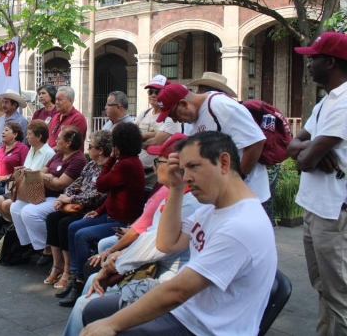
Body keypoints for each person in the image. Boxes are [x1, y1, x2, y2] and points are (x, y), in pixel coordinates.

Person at [80, 132, 277, 336]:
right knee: (94, 311)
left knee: (107, 326)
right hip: (189, 313)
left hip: (205, 328)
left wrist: (112, 324)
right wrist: (175, 188)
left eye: (193, 166)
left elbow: (178, 292)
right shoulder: (212, 210)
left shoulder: (241, 226)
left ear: (224, 163)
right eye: (184, 169)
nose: (187, 177)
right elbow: (167, 243)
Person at [62, 133, 201, 336]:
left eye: (158, 161)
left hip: (162, 279)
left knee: (86, 302)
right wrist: (117, 256)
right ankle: (74, 279)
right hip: (151, 265)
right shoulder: (173, 195)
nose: (154, 167)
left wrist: (117, 260)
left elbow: (158, 243)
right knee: (90, 271)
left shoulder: (189, 203)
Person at [287, 31, 347, 334]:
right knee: (323, 287)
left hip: (333, 212)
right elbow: (292, 146)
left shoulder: (345, 102)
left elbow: (304, 160)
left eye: (313, 58)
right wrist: (308, 152)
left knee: (339, 295)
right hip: (314, 207)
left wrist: (307, 154)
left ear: (332, 62)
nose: (308, 64)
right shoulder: (326, 103)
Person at [59, 122, 147, 307]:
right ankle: (75, 275)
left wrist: (110, 160)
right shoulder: (125, 162)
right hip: (110, 215)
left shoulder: (126, 164)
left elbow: (101, 185)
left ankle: (80, 282)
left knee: (82, 235)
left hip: (121, 221)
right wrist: (98, 211)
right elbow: (114, 193)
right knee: (73, 226)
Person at [156, 82, 270, 203]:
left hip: (249, 192)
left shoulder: (220, 105)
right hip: (219, 195)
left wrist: (235, 180)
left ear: (184, 103)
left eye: (173, 115)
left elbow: (256, 142)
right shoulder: (191, 122)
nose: (174, 120)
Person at [44, 130, 111, 292]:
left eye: (91, 146)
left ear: (100, 150)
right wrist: (64, 197)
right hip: (77, 206)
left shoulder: (108, 168)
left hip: (92, 210)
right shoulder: (91, 164)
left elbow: (99, 196)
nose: (88, 148)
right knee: (52, 218)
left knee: (65, 224)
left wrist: (72, 199)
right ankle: (57, 265)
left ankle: (69, 271)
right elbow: (76, 184)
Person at [11, 126, 87, 262]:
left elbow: (60, 185)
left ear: (68, 143)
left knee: (29, 212)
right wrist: (48, 178)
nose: (55, 141)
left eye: (58, 138)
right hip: (43, 193)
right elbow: (41, 173)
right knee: (15, 207)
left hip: (61, 198)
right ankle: (29, 244)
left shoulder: (78, 160)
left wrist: (46, 177)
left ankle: (48, 247)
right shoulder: (58, 154)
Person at [0, 119, 55, 223]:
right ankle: (17, 227)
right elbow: (23, 171)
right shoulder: (32, 148)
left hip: (35, 193)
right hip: (23, 189)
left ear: (39, 137)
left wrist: (26, 172)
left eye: (29, 134)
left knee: (6, 204)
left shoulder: (49, 153)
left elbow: (40, 177)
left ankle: (18, 228)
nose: (27, 137)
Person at [135, 75, 181, 193]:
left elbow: (156, 143)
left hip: (156, 174)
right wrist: (152, 134)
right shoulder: (144, 113)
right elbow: (130, 134)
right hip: (139, 171)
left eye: (157, 91)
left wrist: (138, 138)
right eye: (150, 91)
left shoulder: (170, 117)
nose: (153, 95)